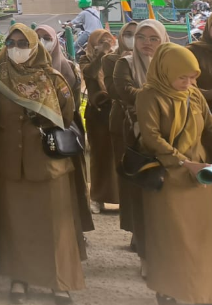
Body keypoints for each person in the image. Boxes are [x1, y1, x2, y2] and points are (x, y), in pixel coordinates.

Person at [0, 24, 84, 304]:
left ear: (35, 47)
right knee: (17, 225)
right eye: (11, 43)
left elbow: (67, 116)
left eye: (23, 43)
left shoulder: (53, 78)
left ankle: (59, 282)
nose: (16, 48)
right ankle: (20, 278)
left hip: (46, 162)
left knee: (55, 226)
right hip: (11, 163)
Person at [135, 44, 212, 305]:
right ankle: (168, 289)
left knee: (198, 239)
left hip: (199, 177)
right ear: (166, 71)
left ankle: (197, 290)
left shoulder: (194, 94)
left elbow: (209, 126)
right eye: (182, 77)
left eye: (192, 77)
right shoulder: (149, 95)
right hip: (168, 177)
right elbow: (152, 137)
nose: (188, 83)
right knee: (171, 238)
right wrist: (184, 162)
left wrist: (197, 164)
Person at [112, 19, 168, 267]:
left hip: (172, 136)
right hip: (138, 137)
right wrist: (165, 97)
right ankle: (145, 255)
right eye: (141, 37)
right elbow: (126, 92)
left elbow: (190, 90)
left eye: (153, 38)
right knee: (144, 193)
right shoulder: (124, 63)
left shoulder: (170, 63)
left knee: (167, 197)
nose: (147, 43)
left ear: (163, 40)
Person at [36, 24, 93, 236]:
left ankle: (75, 231)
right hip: (37, 133)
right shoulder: (25, 69)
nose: (42, 42)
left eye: (46, 37)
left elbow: (74, 102)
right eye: (37, 37)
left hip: (66, 129)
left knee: (72, 182)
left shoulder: (67, 68)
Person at [79, 30, 119, 213]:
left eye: (108, 40)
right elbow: (90, 73)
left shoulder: (117, 58)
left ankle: (120, 197)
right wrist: (100, 54)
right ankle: (97, 197)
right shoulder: (85, 58)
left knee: (118, 156)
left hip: (116, 110)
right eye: (101, 41)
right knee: (99, 156)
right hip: (97, 112)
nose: (106, 43)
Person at [105, 21, 137, 234]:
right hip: (122, 121)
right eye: (129, 34)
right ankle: (133, 228)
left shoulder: (156, 59)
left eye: (137, 34)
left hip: (152, 122)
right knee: (128, 174)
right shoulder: (111, 60)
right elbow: (114, 91)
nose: (133, 39)